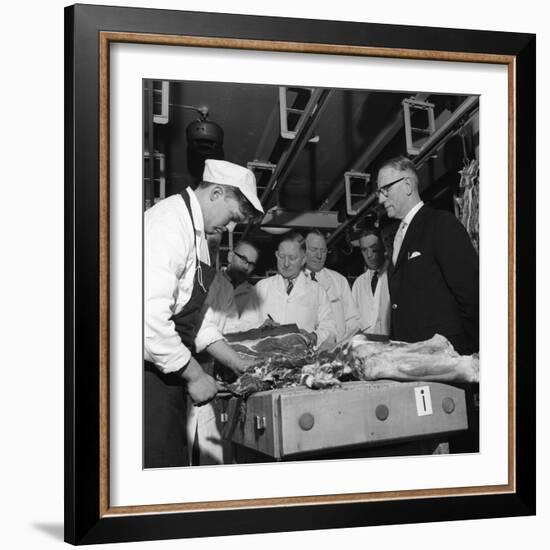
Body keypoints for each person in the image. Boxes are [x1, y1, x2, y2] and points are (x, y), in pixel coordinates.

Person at [144, 158, 264, 468]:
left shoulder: (197, 236)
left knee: (172, 462)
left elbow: (198, 322)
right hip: (145, 375)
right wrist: (196, 375)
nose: (231, 226)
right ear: (216, 193)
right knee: (158, 474)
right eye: (232, 215)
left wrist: (239, 364)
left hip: (166, 372)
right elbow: (148, 319)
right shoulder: (169, 223)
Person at [376, 155, 479, 355]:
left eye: (385, 190)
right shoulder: (399, 235)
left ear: (407, 185)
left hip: (445, 360)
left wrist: (465, 354)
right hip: (411, 361)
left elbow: (472, 295)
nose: (381, 199)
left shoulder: (441, 224)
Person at [244, 231, 337, 350]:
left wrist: (313, 336)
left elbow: (330, 327)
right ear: (276, 255)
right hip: (266, 359)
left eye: (292, 258)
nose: (286, 263)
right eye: (282, 257)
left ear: (303, 259)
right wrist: (259, 327)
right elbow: (243, 324)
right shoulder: (261, 288)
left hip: (303, 362)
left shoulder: (317, 291)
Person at [304, 229, 360, 342]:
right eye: (314, 250)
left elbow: (353, 321)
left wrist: (339, 344)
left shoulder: (339, 281)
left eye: (323, 250)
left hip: (335, 351)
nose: (319, 256)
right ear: (303, 251)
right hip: (303, 351)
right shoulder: (294, 282)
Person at [351, 229, 391, 335]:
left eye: (374, 249)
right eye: (364, 250)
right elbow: (353, 320)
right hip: (366, 345)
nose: (369, 255)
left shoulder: (394, 277)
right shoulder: (359, 283)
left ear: (383, 247)